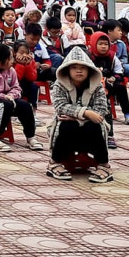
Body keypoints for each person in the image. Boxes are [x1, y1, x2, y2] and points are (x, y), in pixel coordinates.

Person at [45, 46, 113, 183]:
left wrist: (77, 116)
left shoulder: (97, 86)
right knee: (66, 125)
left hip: (91, 124)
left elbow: (101, 110)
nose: (79, 71)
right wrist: (85, 113)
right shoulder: (59, 84)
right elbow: (60, 107)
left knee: (95, 126)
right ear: (67, 70)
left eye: (83, 68)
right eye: (74, 67)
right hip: (67, 124)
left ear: (89, 69)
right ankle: (54, 163)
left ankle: (103, 164)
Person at [0, 44, 40, 151]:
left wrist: (11, 95)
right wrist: (2, 96)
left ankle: (30, 137)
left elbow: (17, 88)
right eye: (9, 58)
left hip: (7, 101)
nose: (12, 61)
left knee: (25, 106)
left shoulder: (11, 70)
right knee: (5, 105)